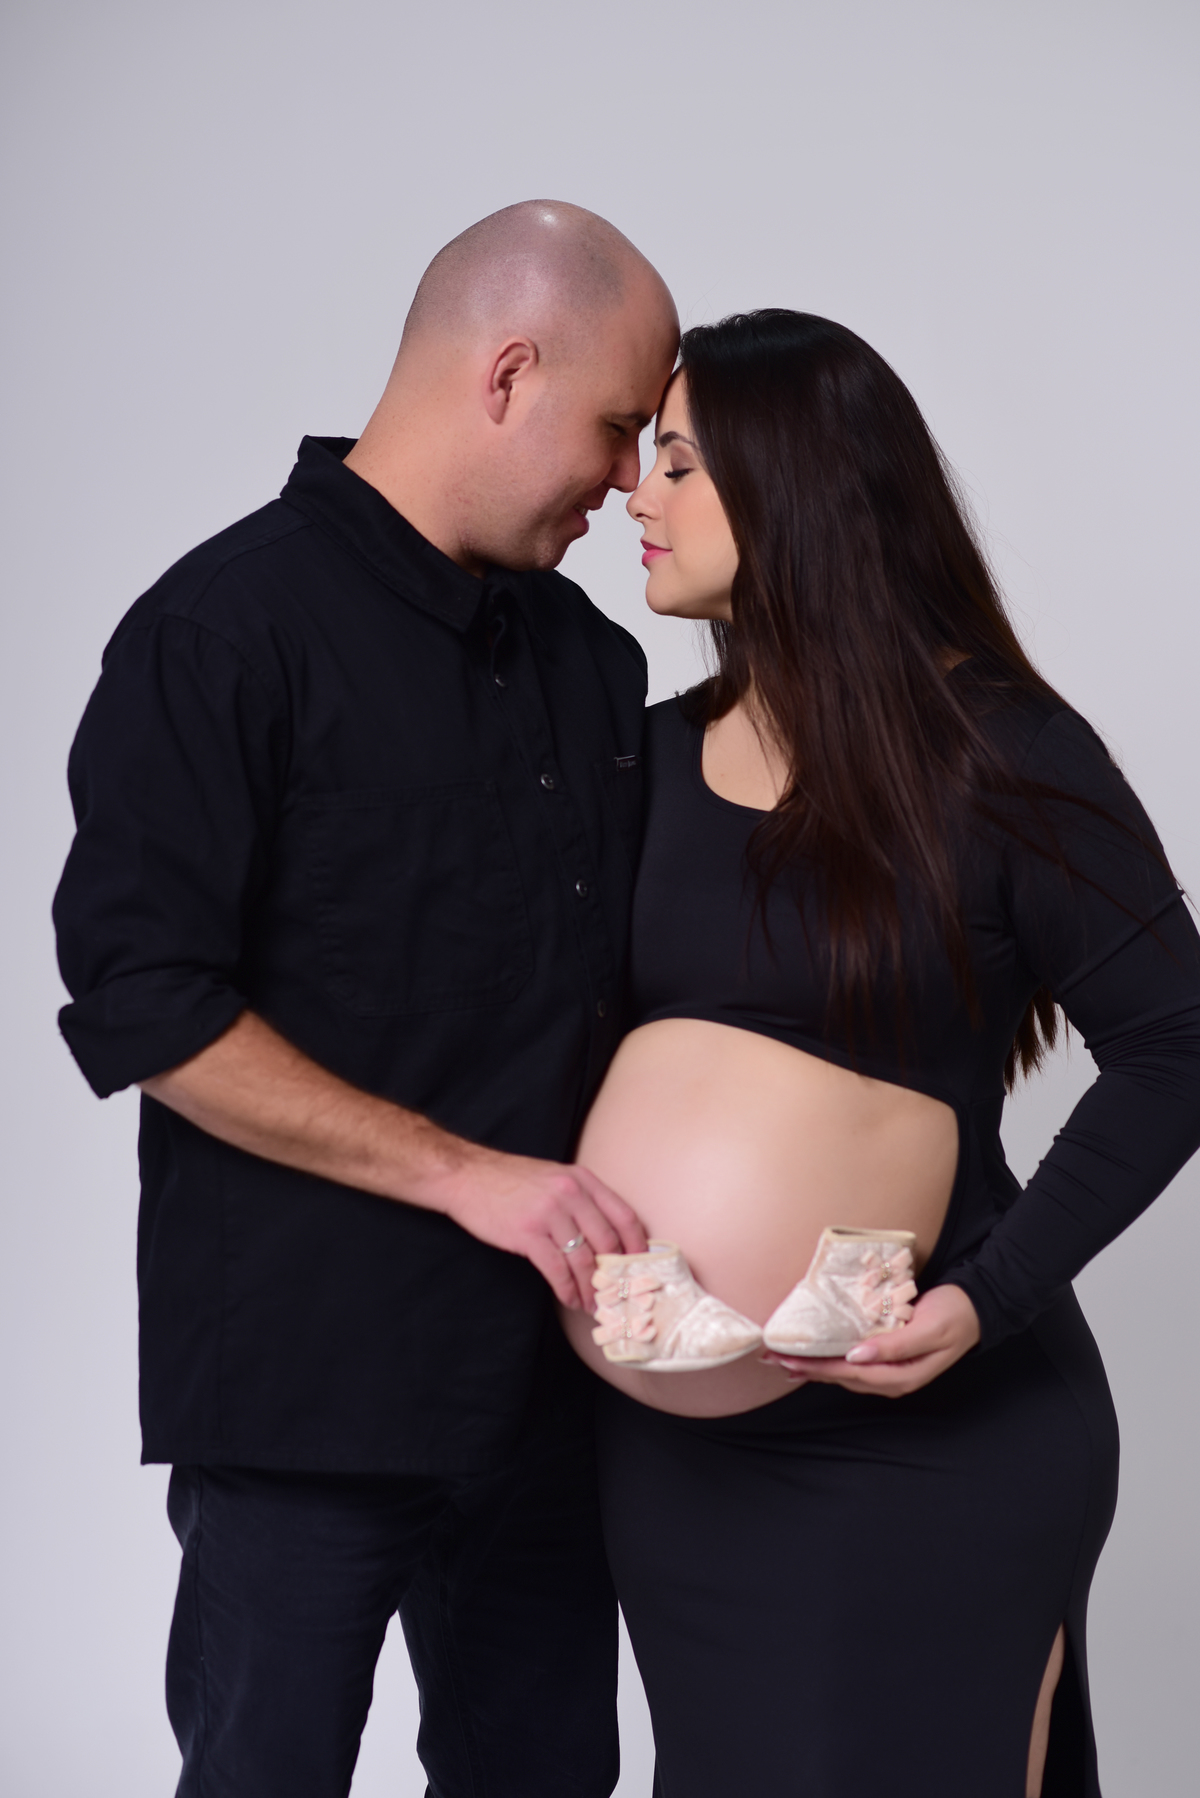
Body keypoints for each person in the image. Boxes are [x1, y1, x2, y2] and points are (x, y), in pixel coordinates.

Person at [52, 200, 678, 1798]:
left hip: (553, 1393)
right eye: (616, 430)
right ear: (507, 373)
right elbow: (142, 998)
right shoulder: (221, 632)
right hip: (304, 1404)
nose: (628, 482)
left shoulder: (593, 660)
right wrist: (468, 1176)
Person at [558, 310, 1200, 1798]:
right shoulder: (639, 761)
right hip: (682, 1466)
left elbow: (1178, 1042)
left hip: (934, 1441)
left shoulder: (1004, 751)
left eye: (677, 463)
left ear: (799, 489)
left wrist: (988, 1296)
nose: (635, 498)